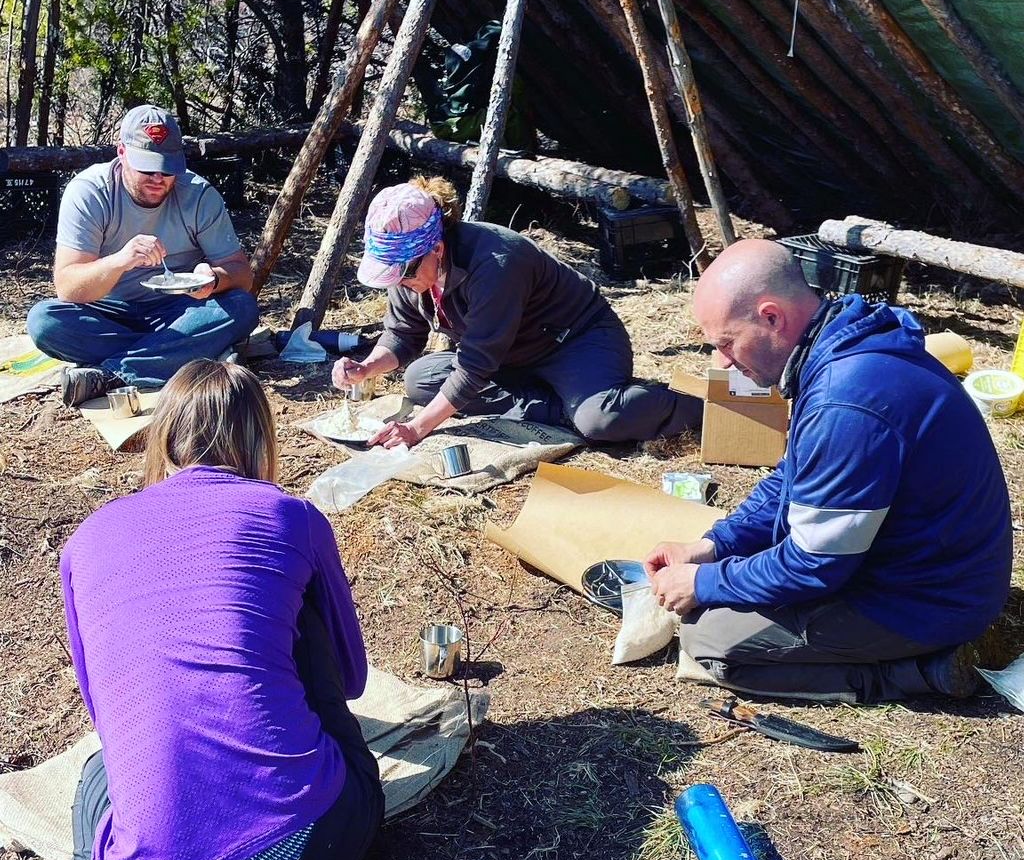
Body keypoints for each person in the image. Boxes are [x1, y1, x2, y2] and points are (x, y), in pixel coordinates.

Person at [0, 361, 383, 860]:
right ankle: (264, 812)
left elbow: (104, 708)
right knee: (291, 619)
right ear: (259, 441)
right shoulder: (287, 514)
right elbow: (352, 678)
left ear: (163, 438)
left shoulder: (86, 542)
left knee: (99, 771)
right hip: (313, 844)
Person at [645, 239, 1012, 704]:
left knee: (712, 642)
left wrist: (705, 582)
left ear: (771, 317)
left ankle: (919, 671)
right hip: (940, 571)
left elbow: (815, 566)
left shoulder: (846, 400)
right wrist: (713, 546)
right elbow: (792, 477)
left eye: (726, 342)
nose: (721, 362)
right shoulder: (843, 345)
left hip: (929, 602)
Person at [330, 177, 701, 446]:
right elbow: (402, 334)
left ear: (437, 249)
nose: (401, 281)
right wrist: (367, 367)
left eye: (405, 271)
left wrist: (417, 428)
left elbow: (474, 365)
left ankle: (697, 410)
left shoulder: (496, 262)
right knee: (421, 380)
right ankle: (561, 405)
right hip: (509, 355)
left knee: (601, 420)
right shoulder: (412, 275)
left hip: (573, 342)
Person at [27, 104, 259, 407]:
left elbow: (242, 275)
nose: (158, 178)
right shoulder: (90, 192)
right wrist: (121, 260)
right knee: (44, 322)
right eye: (147, 168)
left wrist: (214, 280)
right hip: (109, 312)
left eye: (168, 169)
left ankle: (113, 373)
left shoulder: (199, 195)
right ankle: (183, 353)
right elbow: (69, 287)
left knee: (242, 307)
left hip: (180, 310)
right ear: (121, 153)